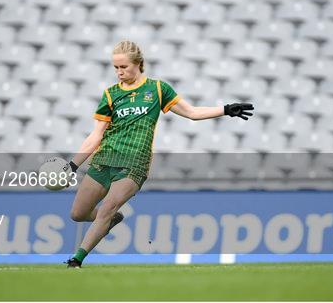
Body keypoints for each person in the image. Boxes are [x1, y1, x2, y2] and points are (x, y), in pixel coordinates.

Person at [64, 40, 254, 268]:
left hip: (135, 162)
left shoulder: (157, 89)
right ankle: (110, 221)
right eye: (115, 67)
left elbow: (191, 113)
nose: (119, 72)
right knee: (78, 214)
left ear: (138, 64)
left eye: (123, 67)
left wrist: (225, 110)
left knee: (106, 209)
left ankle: (77, 259)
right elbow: (96, 135)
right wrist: (72, 165)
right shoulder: (110, 94)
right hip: (104, 160)